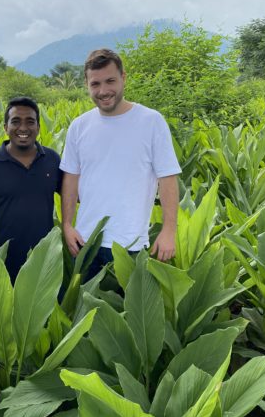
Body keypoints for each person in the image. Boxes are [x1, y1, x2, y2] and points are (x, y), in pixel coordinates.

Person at [60, 49, 181, 280]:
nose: (103, 91)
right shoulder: (79, 126)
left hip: (131, 243)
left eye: (110, 81)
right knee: (86, 313)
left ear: (123, 78)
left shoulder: (151, 121)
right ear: (86, 84)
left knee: (130, 313)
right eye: (95, 84)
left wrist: (169, 230)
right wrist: (67, 224)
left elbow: (168, 178)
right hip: (86, 242)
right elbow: (71, 179)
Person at [0, 96, 62, 282]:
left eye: (30, 122)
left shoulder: (52, 160)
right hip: (2, 258)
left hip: (44, 260)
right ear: (6, 127)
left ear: (38, 127)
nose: (23, 128)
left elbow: (74, 197)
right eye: (16, 121)